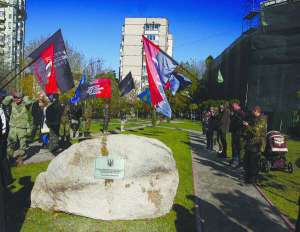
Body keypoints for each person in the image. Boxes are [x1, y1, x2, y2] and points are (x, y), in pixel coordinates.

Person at [2, 93, 32, 165]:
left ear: (22, 98)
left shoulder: (25, 105)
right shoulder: (12, 103)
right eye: (15, 97)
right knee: (11, 144)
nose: (17, 99)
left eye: (19, 98)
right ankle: (10, 158)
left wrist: (23, 97)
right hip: (13, 127)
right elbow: (4, 102)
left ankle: (20, 158)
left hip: (22, 128)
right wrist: (11, 97)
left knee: (22, 145)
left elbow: (29, 102)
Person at [243, 106, 267, 184]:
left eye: (253, 111)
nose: (252, 112)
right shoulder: (253, 118)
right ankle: (248, 176)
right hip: (250, 142)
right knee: (247, 160)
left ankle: (253, 179)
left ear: (257, 111)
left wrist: (248, 126)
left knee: (253, 162)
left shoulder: (262, 119)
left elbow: (256, 132)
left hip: (257, 143)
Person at [229, 103, 244, 167]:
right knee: (234, 146)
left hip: (238, 132)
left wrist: (233, 116)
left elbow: (239, 122)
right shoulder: (235, 113)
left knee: (236, 147)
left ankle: (236, 160)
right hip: (235, 132)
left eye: (233, 107)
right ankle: (234, 159)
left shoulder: (240, 113)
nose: (232, 108)